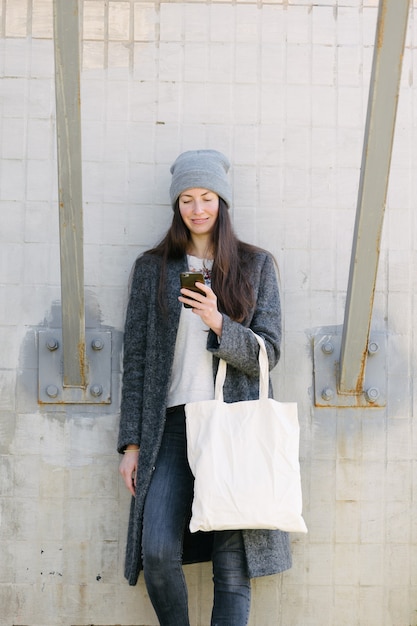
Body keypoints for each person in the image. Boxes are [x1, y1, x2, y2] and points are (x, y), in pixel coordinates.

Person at [118, 149, 291, 625]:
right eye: (188, 199)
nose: (197, 209)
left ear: (222, 202)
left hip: (232, 426)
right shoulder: (152, 269)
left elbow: (269, 354)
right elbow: (134, 362)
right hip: (171, 427)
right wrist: (131, 444)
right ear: (176, 205)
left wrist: (219, 322)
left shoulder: (255, 266)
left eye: (208, 197)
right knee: (157, 549)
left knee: (231, 569)